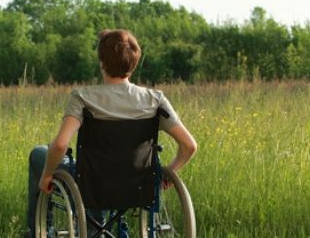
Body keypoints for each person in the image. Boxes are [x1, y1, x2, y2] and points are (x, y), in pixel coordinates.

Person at [25, 29, 197, 237]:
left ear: (102, 62)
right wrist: (167, 173)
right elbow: (189, 146)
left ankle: (39, 231)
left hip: (91, 182)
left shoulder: (83, 97)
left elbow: (60, 145)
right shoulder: (155, 99)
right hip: (138, 183)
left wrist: (46, 175)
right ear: (133, 64)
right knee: (97, 172)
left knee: (39, 154)